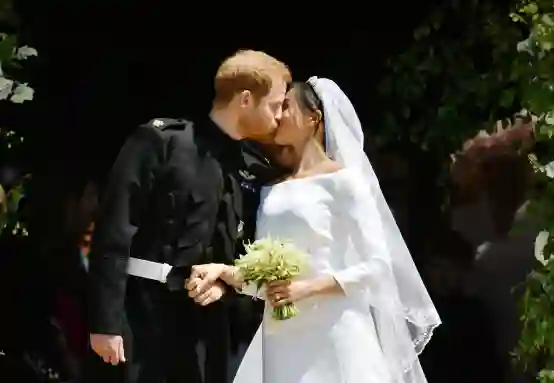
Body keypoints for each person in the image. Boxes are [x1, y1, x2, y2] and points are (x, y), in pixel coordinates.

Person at [187, 78, 441, 383]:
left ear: (313, 118)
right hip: (281, 340)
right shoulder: (271, 188)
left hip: (334, 332)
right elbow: (269, 282)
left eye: (286, 106)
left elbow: (377, 267)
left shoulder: (345, 182)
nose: (278, 115)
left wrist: (306, 288)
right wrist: (225, 272)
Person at [84, 49, 290, 383]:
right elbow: (114, 231)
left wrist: (225, 286)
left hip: (205, 332)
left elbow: (243, 252)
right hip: (140, 315)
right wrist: (104, 323)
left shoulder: (251, 169)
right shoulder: (160, 142)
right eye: (275, 104)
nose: (280, 115)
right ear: (246, 99)